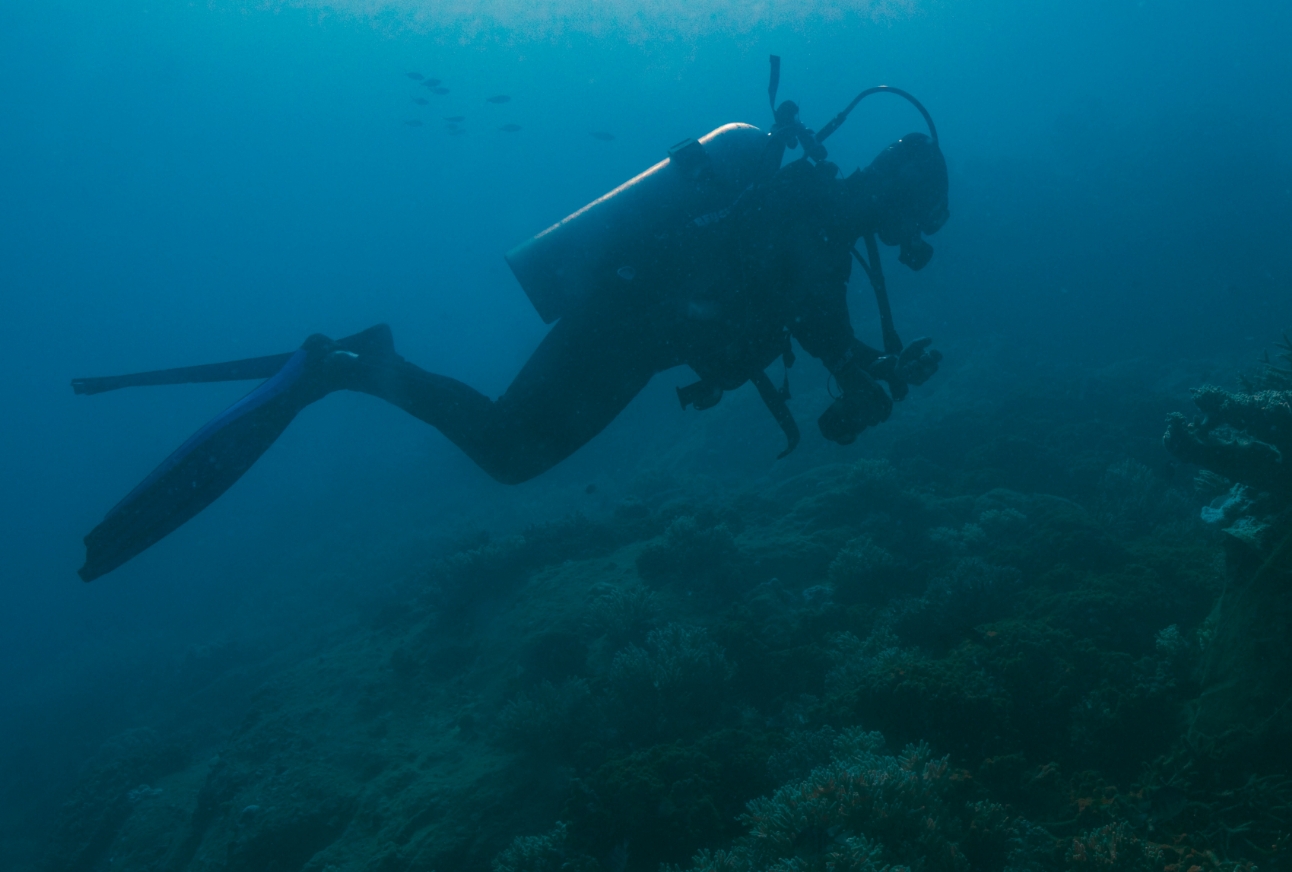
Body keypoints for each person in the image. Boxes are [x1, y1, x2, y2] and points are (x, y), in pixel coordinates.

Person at [75, 103, 948, 581]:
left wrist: (870, 380)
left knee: (509, 452)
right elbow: (818, 331)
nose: (906, 239)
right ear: (896, 200)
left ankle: (364, 364)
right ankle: (353, 367)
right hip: (624, 328)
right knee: (506, 452)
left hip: (632, 334)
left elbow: (827, 346)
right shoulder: (812, 224)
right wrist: (857, 378)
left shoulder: (817, 227)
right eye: (912, 220)